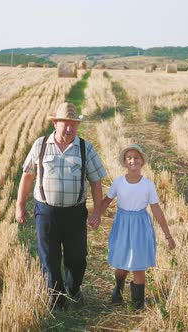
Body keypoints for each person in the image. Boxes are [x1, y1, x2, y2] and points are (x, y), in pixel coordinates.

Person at [16, 102, 107, 309]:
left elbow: (96, 181)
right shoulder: (40, 144)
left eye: (73, 125)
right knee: (49, 258)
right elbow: (28, 176)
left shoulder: (85, 147)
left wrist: (97, 212)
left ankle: (74, 289)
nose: (69, 129)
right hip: (46, 212)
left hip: (75, 214)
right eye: (65, 124)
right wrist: (20, 205)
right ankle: (57, 299)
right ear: (55, 124)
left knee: (77, 258)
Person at [98, 144, 175, 309]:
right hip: (122, 224)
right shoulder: (118, 182)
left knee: (139, 267)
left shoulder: (148, 184)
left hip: (140, 225)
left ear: (142, 162)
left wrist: (168, 235)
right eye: (129, 158)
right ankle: (118, 288)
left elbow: (156, 209)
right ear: (125, 162)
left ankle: (137, 305)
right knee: (121, 266)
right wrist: (95, 215)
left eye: (136, 158)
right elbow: (106, 201)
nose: (133, 160)